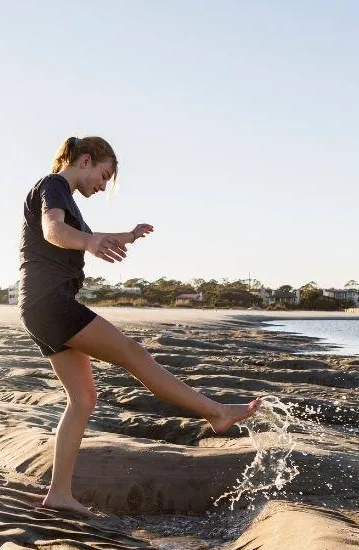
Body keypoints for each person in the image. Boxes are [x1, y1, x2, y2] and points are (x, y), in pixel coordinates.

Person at [18, 136, 262, 517]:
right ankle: (216, 413)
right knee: (135, 354)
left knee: (83, 399)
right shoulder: (54, 186)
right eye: (103, 175)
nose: (102, 186)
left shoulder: (58, 191)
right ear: (85, 160)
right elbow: (53, 231)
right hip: (50, 304)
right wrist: (91, 242)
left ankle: (59, 494)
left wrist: (126, 236)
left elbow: (75, 234)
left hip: (39, 306)